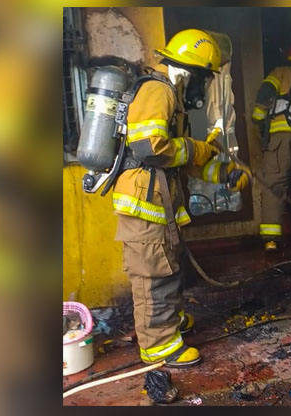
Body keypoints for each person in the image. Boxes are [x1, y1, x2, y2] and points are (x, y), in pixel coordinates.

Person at [112, 29, 251, 367]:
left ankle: (170, 324)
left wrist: (225, 174)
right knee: (153, 276)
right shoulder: (158, 91)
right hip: (144, 204)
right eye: (205, 77)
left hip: (159, 202)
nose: (203, 87)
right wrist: (198, 148)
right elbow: (150, 149)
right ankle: (159, 345)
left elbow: (182, 160)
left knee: (169, 268)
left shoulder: (171, 100)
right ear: (190, 72)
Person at [252, 46, 291, 252]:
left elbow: (265, 93)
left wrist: (257, 118)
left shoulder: (280, 72)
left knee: (274, 183)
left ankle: (271, 240)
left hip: (280, 136)